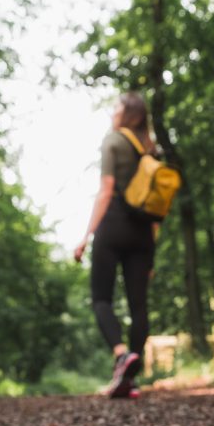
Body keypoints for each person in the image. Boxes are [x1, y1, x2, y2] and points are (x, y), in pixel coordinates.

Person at [74, 92, 159, 398]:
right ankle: (131, 378)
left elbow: (106, 190)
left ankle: (122, 355)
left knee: (101, 299)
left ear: (128, 114)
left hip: (112, 227)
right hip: (143, 234)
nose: (112, 113)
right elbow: (156, 206)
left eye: (116, 108)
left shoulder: (113, 141)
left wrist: (86, 236)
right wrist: (153, 247)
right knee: (139, 306)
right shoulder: (150, 149)